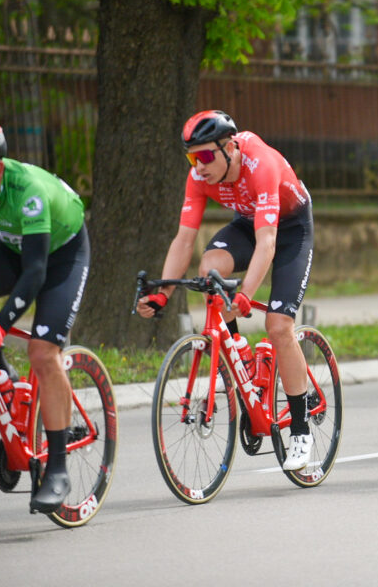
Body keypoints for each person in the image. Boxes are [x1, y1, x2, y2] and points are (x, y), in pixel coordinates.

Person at [135, 110, 315, 471]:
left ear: (229, 147)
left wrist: (246, 293)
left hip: (290, 229)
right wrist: (163, 293)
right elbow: (184, 241)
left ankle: (300, 429)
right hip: (249, 224)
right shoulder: (198, 177)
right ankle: (240, 357)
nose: (198, 166)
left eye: (204, 156)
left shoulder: (259, 162)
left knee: (278, 326)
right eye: (191, 157)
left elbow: (268, 243)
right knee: (209, 270)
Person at [0, 120, 89, 513]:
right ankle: (1, 374)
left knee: (41, 352)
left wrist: (0, 326)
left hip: (59, 253)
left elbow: (35, 272)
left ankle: (56, 467)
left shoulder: (29, 193)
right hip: (11, 245)